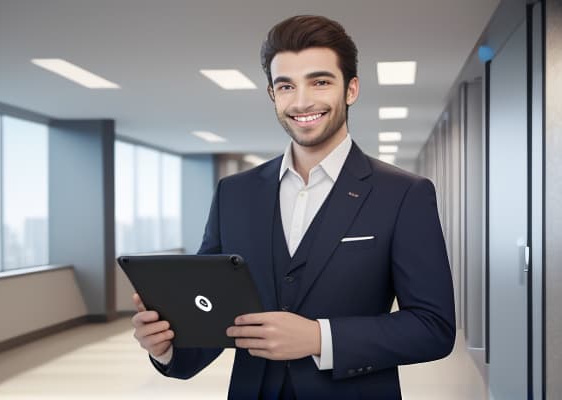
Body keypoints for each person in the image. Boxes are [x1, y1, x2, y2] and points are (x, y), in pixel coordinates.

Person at [131, 15, 455, 399]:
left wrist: (321, 338)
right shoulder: (235, 193)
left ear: (351, 89)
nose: (302, 102)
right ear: (272, 95)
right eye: (286, 86)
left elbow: (433, 327)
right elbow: (213, 319)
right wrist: (167, 347)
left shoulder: (403, 193)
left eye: (320, 82)